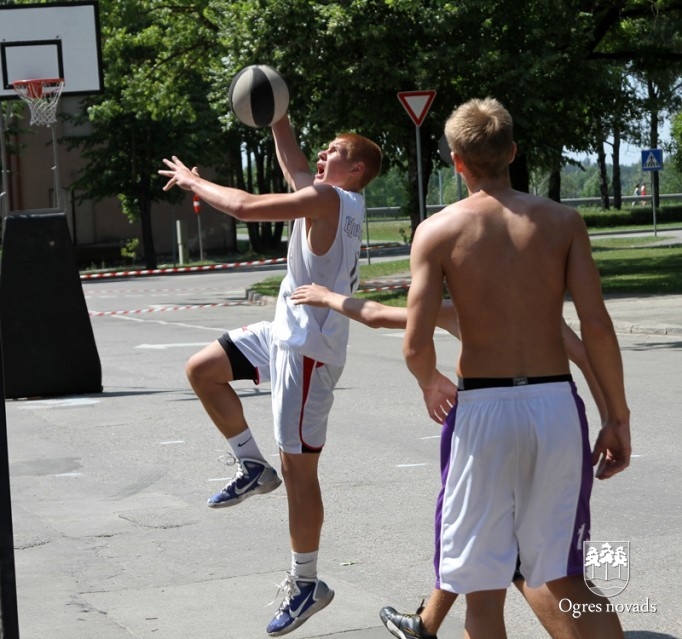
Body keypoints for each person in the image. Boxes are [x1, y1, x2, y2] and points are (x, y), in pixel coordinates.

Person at [401, 98, 631, 638]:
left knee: (482, 585)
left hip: (482, 409)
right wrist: (616, 417)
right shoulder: (562, 222)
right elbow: (596, 327)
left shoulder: (437, 231)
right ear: (512, 152)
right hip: (554, 404)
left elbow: (416, 343)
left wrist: (428, 379)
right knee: (564, 574)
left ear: (458, 161)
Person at [158, 115, 382, 636]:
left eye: (334, 151)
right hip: (283, 332)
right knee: (203, 369)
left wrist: (193, 181)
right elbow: (295, 163)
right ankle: (251, 466)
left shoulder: (330, 200)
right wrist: (278, 116)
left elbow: (244, 206)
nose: (322, 157)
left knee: (301, 474)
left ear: (357, 168)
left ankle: (306, 583)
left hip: (307, 353)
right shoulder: (332, 197)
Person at [291, 284, 603, 639]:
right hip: (551, 415)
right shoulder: (541, 307)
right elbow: (589, 355)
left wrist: (327, 297)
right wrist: (613, 417)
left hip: (487, 421)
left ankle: (424, 626)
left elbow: (379, 318)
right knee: (557, 569)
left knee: (488, 580)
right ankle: (425, 624)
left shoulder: (463, 308)